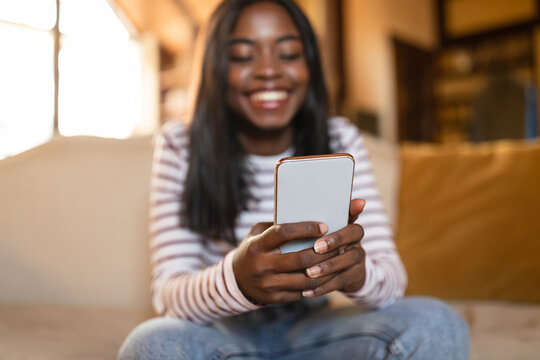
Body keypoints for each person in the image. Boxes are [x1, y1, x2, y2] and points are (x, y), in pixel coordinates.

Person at [118, 0, 469, 358]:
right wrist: (237, 281)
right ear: (215, 69)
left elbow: (392, 282)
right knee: (150, 343)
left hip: (317, 333)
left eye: (288, 53)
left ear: (310, 66)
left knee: (438, 323)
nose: (268, 70)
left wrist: (357, 273)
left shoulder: (340, 138)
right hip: (223, 336)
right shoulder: (180, 145)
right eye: (241, 56)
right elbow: (168, 294)